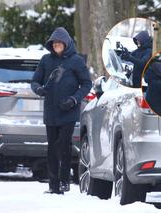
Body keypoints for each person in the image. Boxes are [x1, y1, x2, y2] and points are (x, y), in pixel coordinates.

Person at [31, 27, 92, 194]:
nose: (57, 45)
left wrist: (73, 99)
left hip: (68, 111)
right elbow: (35, 81)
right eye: (54, 43)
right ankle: (53, 185)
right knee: (52, 146)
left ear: (66, 44)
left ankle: (65, 180)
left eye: (60, 43)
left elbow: (87, 84)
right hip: (50, 110)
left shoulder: (76, 61)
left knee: (64, 145)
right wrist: (38, 89)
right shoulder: (45, 60)